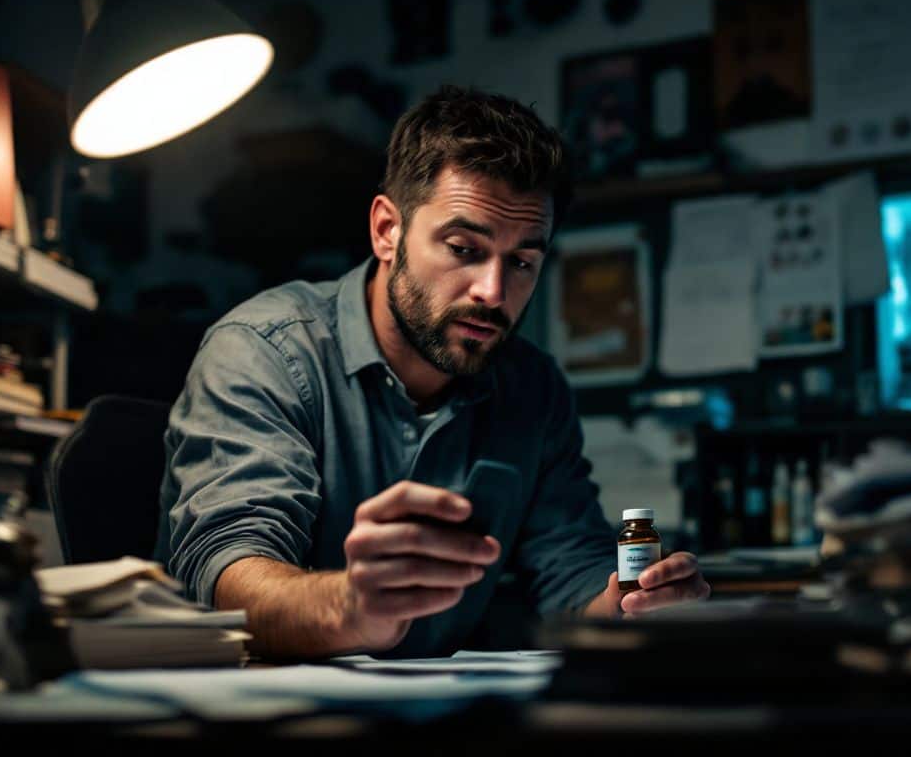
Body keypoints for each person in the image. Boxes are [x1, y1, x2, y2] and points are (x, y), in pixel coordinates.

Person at [155, 86, 710, 659]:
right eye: (464, 249)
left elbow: (569, 573)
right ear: (386, 231)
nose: (493, 293)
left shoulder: (532, 389)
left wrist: (629, 607)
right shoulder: (261, 353)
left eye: (522, 262)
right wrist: (351, 606)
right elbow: (227, 574)